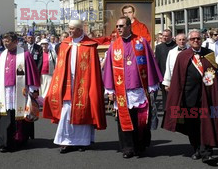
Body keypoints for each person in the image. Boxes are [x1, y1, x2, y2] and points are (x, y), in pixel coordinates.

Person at [163, 29, 218, 163]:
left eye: (198, 39)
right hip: (189, 96)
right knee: (193, 126)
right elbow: (178, 78)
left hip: (206, 96)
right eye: (193, 39)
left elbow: (213, 75)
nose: (196, 41)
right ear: (189, 41)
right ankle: (196, 148)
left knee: (206, 124)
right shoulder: (183, 56)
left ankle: (206, 151)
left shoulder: (209, 54)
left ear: (201, 40)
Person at [43, 20, 106, 153]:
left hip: (83, 83)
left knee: (83, 110)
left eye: (72, 29)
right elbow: (60, 66)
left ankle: (83, 141)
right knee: (67, 110)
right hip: (67, 83)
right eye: (69, 29)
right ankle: (66, 142)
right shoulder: (65, 44)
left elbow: (94, 69)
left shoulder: (89, 45)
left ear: (79, 30)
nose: (70, 31)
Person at [103, 17, 163, 158]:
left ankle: (140, 145)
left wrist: (151, 85)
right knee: (124, 120)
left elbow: (150, 63)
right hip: (122, 90)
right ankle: (127, 148)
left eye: (121, 26)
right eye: (117, 26)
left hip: (139, 89)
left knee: (140, 120)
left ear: (129, 26)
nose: (118, 28)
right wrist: (110, 90)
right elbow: (109, 69)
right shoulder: (114, 45)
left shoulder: (141, 42)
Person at [0, 31, 40, 152]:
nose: (5, 44)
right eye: (4, 42)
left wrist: (33, 89)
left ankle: (20, 139)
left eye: (8, 42)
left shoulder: (24, 55)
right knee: (6, 116)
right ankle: (5, 141)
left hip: (20, 89)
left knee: (20, 116)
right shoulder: (1, 55)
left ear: (15, 42)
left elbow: (31, 72)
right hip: (5, 90)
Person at [154, 29, 176, 110]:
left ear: (171, 36)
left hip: (174, 75)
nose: (164, 38)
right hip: (163, 75)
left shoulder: (175, 46)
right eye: (163, 36)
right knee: (165, 96)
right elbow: (157, 62)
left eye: (166, 36)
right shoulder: (159, 47)